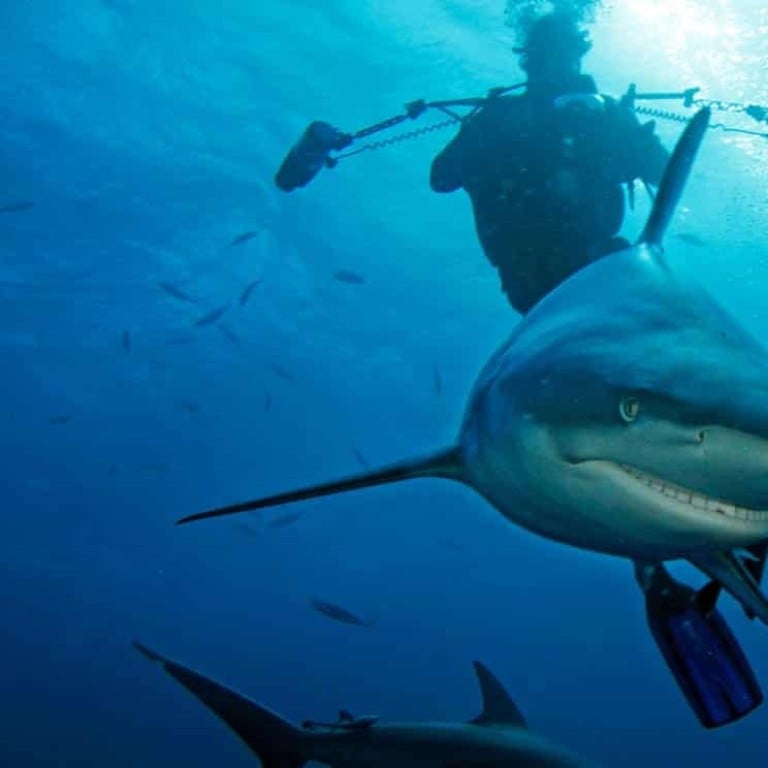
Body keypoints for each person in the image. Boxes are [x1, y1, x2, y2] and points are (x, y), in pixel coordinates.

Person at [430, 10, 669, 313]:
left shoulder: (606, 115)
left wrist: (634, 140)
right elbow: (441, 178)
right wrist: (489, 139)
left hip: (590, 265)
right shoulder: (501, 116)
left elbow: (661, 171)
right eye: (548, 57)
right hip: (535, 273)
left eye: (561, 56)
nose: (556, 68)